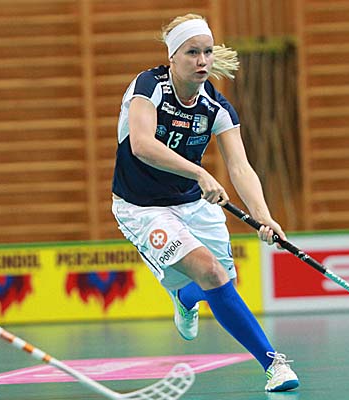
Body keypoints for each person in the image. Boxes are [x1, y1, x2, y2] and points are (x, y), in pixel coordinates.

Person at [110, 13, 299, 392]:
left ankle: (184, 296)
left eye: (207, 52)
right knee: (211, 272)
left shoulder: (216, 106)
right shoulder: (149, 87)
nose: (202, 61)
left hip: (192, 205)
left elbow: (240, 166)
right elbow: (142, 145)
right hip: (142, 207)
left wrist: (265, 218)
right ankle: (273, 365)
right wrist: (199, 173)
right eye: (192, 52)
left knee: (223, 282)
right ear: (172, 57)